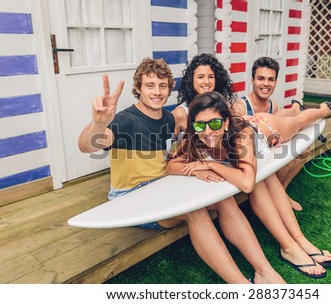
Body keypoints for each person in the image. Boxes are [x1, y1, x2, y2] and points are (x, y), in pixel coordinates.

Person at [78, 57, 285, 284]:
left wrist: (199, 168)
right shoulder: (125, 121)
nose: (157, 92)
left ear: (170, 89)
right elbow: (87, 145)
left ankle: (264, 270)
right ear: (137, 88)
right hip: (131, 197)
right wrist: (99, 124)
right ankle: (241, 286)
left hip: (164, 187)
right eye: (150, 85)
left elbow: (176, 156)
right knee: (194, 211)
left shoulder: (169, 119)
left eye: (162, 86)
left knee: (224, 199)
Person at [168, 92, 331, 279]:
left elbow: (247, 184)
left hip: (265, 130)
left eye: (214, 123)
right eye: (200, 125)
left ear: (225, 122)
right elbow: (172, 165)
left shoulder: (241, 134)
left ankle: (322, 110)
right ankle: (291, 246)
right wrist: (198, 171)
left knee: (300, 121)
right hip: (246, 146)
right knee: (264, 178)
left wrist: (209, 164)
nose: (207, 132)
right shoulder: (194, 138)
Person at [231, 56, 310, 211]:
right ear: (252, 80)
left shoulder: (273, 105)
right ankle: (278, 196)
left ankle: (281, 192)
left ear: (275, 82)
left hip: (266, 153)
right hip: (246, 160)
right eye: (261, 78)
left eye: (271, 79)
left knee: (303, 152)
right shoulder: (240, 107)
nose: (266, 84)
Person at [172, 53, 235, 140]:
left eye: (211, 77)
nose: (206, 81)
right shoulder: (181, 113)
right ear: (191, 80)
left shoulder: (223, 108)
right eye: (200, 77)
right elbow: (165, 145)